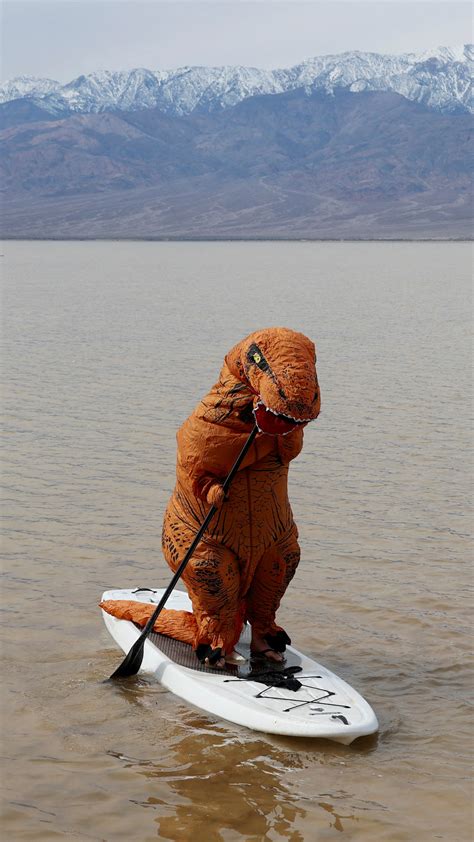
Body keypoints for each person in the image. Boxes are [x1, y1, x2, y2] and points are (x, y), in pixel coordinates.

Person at [161, 326, 321, 668]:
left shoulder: (281, 423)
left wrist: (283, 429)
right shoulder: (211, 418)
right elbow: (194, 462)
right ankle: (215, 638)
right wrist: (209, 488)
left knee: (282, 561)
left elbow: (288, 453)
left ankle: (263, 632)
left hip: (271, 530)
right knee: (212, 576)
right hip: (208, 533)